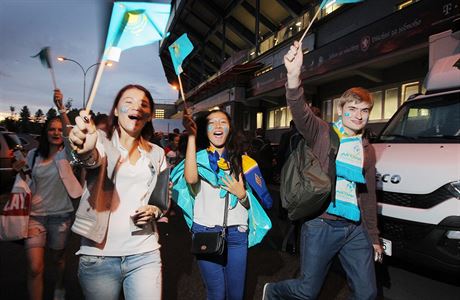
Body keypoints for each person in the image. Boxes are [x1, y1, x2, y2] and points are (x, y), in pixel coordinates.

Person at [263, 41, 383, 300]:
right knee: (307, 292)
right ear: (341, 109)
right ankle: (273, 292)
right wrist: (293, 75)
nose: (358, 116)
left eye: (364, 111)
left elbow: (368, 195)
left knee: (367, 294)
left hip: (355, 228)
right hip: (321, 224)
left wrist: (373, 236)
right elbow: (299, 109)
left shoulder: (368, 149)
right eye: (352, 109)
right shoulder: (323, 133)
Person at [68, 84, 167, 300]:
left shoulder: (158, 154)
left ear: (149, 115)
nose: (137, 107)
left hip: (145, 253)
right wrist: (83, 148)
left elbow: (161, 200)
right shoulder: (101, 144)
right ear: (115, 110)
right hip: (99, 256)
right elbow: (90, 158)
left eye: (144, 104)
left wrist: (155, 210)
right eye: (128, 101)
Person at [170, 109, 272, 300]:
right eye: (212, 122)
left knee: (236, 294)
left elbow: (253, 204)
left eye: (223, 122)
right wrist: (191, 137)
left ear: (230, 128)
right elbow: (191, 179)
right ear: (205, 130)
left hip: (236, 234)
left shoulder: (243, 161)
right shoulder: (198, 159)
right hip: (206, 232)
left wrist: (242, 195)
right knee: (216, 293)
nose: (217, 126)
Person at [12, 89, 83, 300]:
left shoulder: (67, 154)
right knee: (34, 267)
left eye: (59, 130)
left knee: (58, 259)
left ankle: (60, 284)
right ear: (45, 132)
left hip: (61, 216)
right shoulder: (34, 154)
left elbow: (71, 135)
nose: (55, 133)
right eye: (51, 129)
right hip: (34, 217)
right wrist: (20, 170)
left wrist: (61, 108)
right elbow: (26, 178)